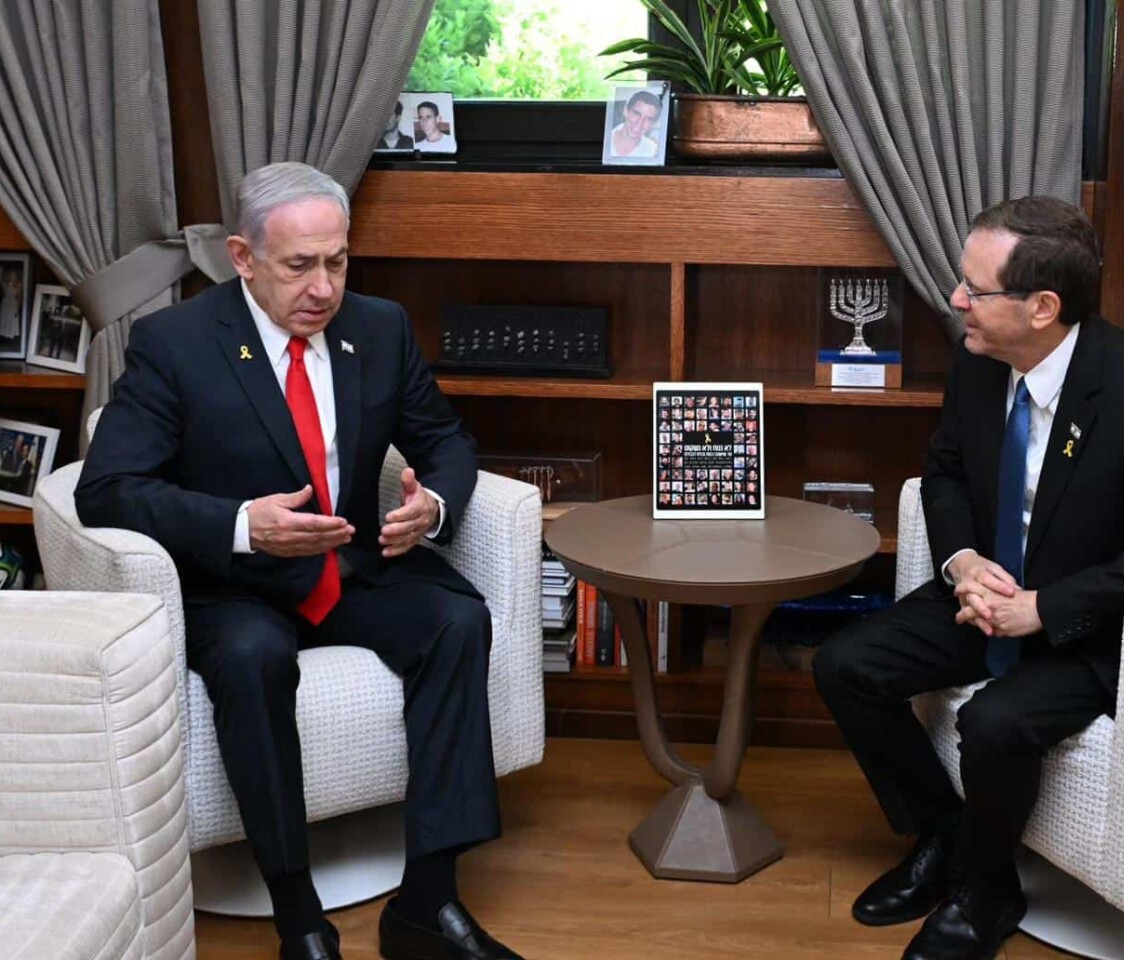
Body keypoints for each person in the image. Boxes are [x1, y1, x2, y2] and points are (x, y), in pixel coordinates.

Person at [76, 162, 522, 960]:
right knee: (252, 659)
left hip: (353, 566)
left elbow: (445, 440)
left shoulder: (379, 329)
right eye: (300, 265)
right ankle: (299, 918)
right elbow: (106, 491)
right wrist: (242, 525)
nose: (323, 287)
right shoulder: (176, 344)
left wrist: (435, 506)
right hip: (235, 583)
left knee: (458, 619)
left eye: (338, 261)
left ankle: (428, 901)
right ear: (243, 257)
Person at [813, 196, 1124, 960]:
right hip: (985, 594)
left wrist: (1046, 608)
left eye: (975, 288)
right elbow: (942, 473)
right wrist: (962, 562)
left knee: (995, 723)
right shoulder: (981, 359)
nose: (955, 300)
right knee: (846, 665)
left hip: (1085, 626)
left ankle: (988, 889)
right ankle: (944, 838)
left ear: (1043, 307)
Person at [608, 89, 662, 159]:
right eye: (636, 114)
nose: (640, 123)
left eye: (648, 119)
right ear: (625, 111)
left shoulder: (653, 151)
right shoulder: (605, 138)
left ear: (653, 123)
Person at [0, 267, 21, 343]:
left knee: (11, 320)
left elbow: (19, 298)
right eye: (11, 275)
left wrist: (17, 308)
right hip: (6, 303)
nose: (12, 277)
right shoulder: (5, 284)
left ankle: (10, 337)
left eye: (14, 275)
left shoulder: (18, 286)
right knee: (4, 320)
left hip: (13, 304)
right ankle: (3, 336)